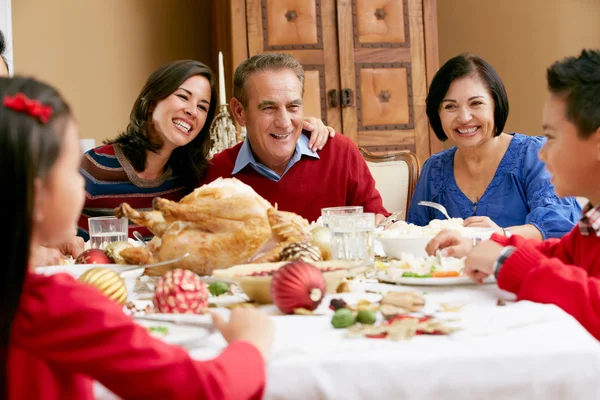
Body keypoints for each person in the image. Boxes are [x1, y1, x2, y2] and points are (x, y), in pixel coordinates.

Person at [1, 76, 274, 399]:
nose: (81, 182)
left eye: (202, 106)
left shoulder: (191, 174)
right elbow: (205, 389)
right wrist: (250, 344)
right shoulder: (52, 306)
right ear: (37, 194)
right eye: (72, 168)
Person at [426, 49, 600, 340]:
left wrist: (504, 260)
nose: (542, 153)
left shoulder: (526, 154)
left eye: (553, 137)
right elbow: (558, 254)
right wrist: (481, 246)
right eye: (450, 106)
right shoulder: (591, 226)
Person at [78, 59, 335, 240]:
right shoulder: (95, 168)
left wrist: (300, 126)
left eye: (202, 107)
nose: (192, 111)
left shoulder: (193, 181)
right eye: (183, 96)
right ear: (151, 101)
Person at [407, 53, 580, 239]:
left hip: (527, 267)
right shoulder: (434, 169)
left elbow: (560, 228)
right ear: (437, 113)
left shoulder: (536, 155)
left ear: (495, 105)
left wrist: (500, 235)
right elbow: (413, 236)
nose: (464, 117)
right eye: (450, 106)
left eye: (476, 103)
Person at [202, 53, 388, 223]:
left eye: (293, 107)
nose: (284, 122)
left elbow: (380, 222)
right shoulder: (217, 174)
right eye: (268, 108)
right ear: (240, 112)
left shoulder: (340, 152)